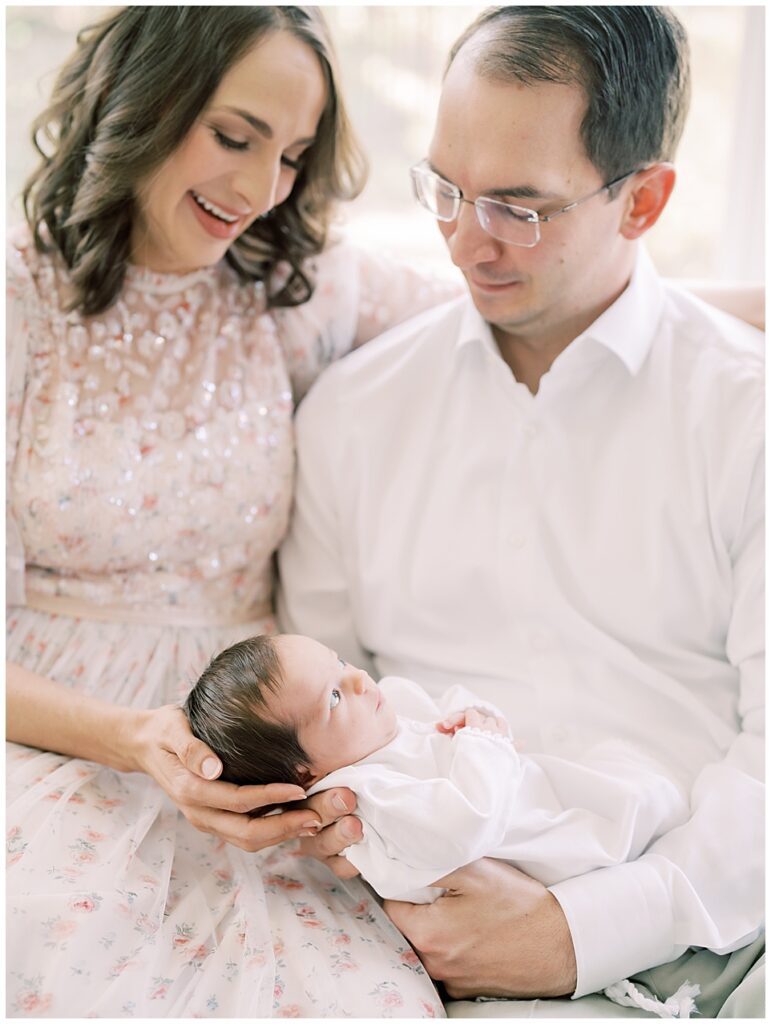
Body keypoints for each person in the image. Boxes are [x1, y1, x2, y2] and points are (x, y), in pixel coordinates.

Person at [278, 5, 764, 1019]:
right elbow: (313, 723)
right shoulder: (353, 419)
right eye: (447, 190)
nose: (465, 240)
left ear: (644, 201)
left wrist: (580, 932)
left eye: (519, 207)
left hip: (720, 930)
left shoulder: (746, 415)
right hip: (403, 939)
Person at [5, 7, 460, 1018]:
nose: (260, 193)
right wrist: (133, 737)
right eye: (234, 135)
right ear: (142, 102)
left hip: (260, 750)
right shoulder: (15, 303)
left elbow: (518, 298)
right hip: (47, 736)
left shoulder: (293, 291)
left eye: (293, 155)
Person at [184, 633, 689, 909]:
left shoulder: (380, 719)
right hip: (537, 844)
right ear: (304, 771)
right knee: (634, 805)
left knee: (634, 775)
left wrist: (473, 719)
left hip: (535, 789)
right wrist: (483, 741)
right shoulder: (369, 797)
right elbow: (470, 820)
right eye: (334, 697)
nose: (359, 678)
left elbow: (450, 708)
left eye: (339, 662)